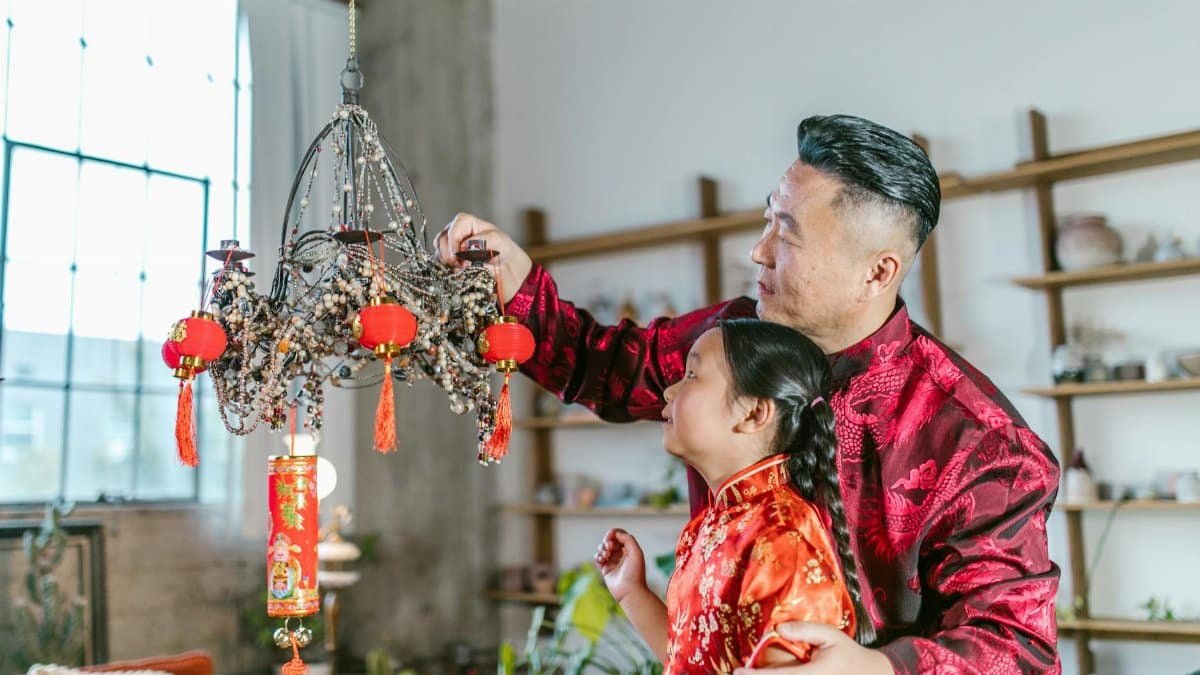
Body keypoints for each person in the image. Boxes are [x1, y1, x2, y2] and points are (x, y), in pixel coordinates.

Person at [437, 114, 1061, 674]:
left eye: (787, 235)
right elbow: (605, 366)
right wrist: (514, 281)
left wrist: (875, 670)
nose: (757, 251)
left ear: (877, 272)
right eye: (768, 220)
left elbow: (1016, 648)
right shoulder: (735, 338)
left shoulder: (978, 441)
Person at [595, 319, 869, 672]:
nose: (668, 392)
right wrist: (631, 592)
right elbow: (690, 661)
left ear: (754, 413)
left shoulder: (781, 539)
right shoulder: (714, 524)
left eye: (692, 375)